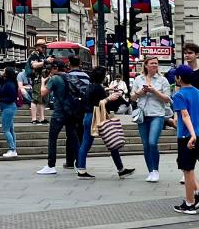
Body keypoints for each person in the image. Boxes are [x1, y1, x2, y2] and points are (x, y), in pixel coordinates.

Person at [76, 66, 135, 179]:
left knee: (86, 143)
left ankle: (81, 168)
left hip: (88, 116)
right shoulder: (98, 88)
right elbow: (100, 103)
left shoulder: (91, 86)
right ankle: (120, 169)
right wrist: (110, 98)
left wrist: (107, 90)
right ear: (102, 76)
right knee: (111, 141)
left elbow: (91, 100)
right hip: (97, 117)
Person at [130, 54, 171, 182]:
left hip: (157, 114)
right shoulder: (138, 79)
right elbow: (132, 98)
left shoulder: (162, 80)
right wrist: (140, 93)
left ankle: (156, 170)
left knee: (153, 142)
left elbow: (167, 99)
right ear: (146, 65)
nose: (154, 65)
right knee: (146, 145)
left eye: (156, 63)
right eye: (152, 63)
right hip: (142, 115)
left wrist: (154, 91)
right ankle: (150, 171)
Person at [36, 60, 80, 175]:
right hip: (71, 112)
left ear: (55, 68)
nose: (50, 70)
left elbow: (43, 93)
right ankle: (80, 163)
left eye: (51, 68)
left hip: (59, 113)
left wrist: (42, 82)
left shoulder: (54, 79)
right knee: (73, 138)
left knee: (52, 139)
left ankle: (51, 165)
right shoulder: (71, 77)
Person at [172, 65, 199, 213]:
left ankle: (189, 204)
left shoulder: (179, 95)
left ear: (178, 78)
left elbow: (185, 115)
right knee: (187, 168)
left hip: (186, 136)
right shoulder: (197, 92)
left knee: (188, 171)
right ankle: (196, 195)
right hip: (197, 134)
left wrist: (192, 134)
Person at [65, 55, 91, 159]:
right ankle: (79, 157)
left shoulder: (67, 76)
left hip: (70, 107)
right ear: (80, 64)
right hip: (83, 108)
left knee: (70, 133)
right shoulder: (86, 76)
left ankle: (70, 159)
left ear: (69, 64)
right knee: (81, 133)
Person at [0, 67, 19, 157]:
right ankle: (13, 148)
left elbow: (12, 98)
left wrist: (0, 99)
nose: (2, 72)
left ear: (7, 73)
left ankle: (12, 149)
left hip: (8, 107)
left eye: (4, 70)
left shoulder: (10, 84)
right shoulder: (7, 82)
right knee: (10, 129)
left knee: (6, 129)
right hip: (7, 107)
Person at [27, 42, 48, 124]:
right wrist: (45, 62)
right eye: (42, 47)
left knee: (42, 99)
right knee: (35, 99)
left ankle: (42, 118)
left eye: (44, 47)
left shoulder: (42, 55)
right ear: (38, 47)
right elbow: (34, 65)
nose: (44, 49)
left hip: (43, 78)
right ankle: (34, 118)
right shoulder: (34, 54)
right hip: (37, 79)